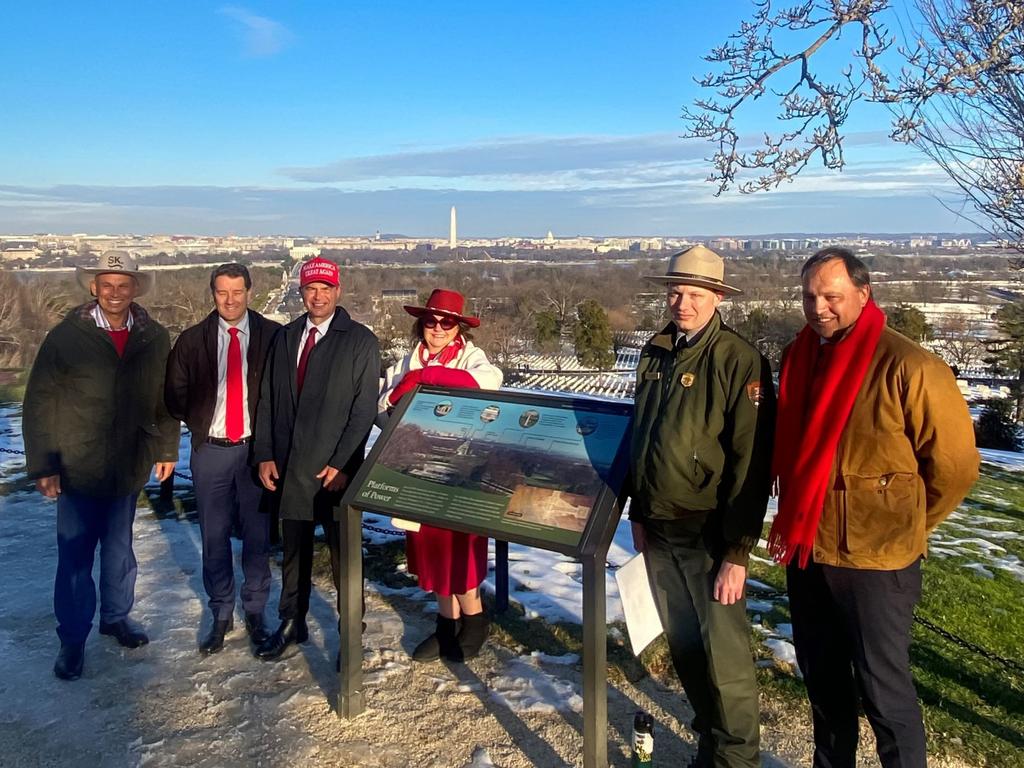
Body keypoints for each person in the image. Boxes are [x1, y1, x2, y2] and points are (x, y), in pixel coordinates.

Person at [769, 247, 979, 768]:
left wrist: (908, 522)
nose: (819, 308)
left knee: (885, 695)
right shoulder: (799, 357)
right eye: (809, 296)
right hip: (809, 551)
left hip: (878, 560)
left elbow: (955, 467)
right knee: (825, 688)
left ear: (863, 294)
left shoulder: (909, 365)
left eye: (831, 296)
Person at [629, 245, 775, 768]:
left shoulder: (739, 360)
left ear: (717, 297)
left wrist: (738, 551)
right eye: (675, 291)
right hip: (660, 524)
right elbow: (641, 435)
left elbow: (751, 461)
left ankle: (736, 758)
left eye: (694, 293)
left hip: (709, 531)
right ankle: (710, 742)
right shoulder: (656, 351)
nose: (682, 303)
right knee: (686, 647)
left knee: (726, 658)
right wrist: (638, 514)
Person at [23, 250, 179, 681]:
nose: (114, 292)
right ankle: (72, 640)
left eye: (122, 284)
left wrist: (166, 449)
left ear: (134, 289)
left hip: (128, 463)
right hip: (76, 464)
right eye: (106, 284)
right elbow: (39, 402)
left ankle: (115, 618)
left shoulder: (154, 336)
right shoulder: (66, 337)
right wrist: (44, 465)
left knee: (119, 551)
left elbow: (164, 399)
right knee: (74, 558)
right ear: (93, 287)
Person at [253, 257, 380, 661]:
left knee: (345, 556)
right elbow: (269, 399)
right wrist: (265, 454)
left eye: (326, 288)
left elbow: (364, 410)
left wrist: (342, 463)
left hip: (336, 471)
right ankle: (292, 621)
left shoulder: (360, 341)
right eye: (311, 288)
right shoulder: (287, 337)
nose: (318, 295)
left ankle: (350, 632)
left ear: (338, 291)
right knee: (294, 551)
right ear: (301, 291)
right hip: (290, 464)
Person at [378, 289, 503, 662]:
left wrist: (425, 377)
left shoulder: (472, 357)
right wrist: (409, 382)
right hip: (417, 470)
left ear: (458, 326)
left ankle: (475, 619)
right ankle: (446, 622)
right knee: (429, 550)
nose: (437, 328)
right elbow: (383, 407)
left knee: (459, 551)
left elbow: (485, 383)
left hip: (461, 470)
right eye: (430, 321)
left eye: (446, 322)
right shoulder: (406, 359)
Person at [164, 263, 281, 655]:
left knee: (257, 537)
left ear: (250, 291)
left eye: (237, 292)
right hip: (210, 450)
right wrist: (201, 421)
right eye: (221, 292)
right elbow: (174, 394)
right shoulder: (192, 340)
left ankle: (256, 610)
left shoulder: (271, 336)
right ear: (212, 293)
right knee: (213, 537)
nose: (229, 301)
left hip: (254, 452)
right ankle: (220, 612)